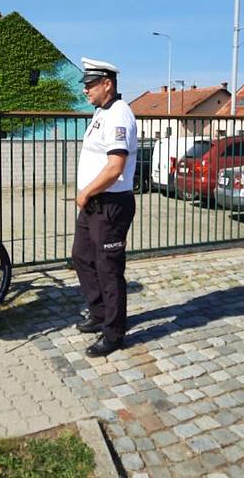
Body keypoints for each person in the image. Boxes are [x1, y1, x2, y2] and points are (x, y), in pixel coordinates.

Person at [72, 57, 137, 357]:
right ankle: (98, 313)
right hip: (94, 203)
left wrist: (85, 192)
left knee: (109, 268)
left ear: (107, 84)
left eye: (90, 85)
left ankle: (113, 333)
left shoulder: (119, 115)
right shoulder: (102, 112)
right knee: (82, 257)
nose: (85, 90)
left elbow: (115, 167)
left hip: (109, 204)